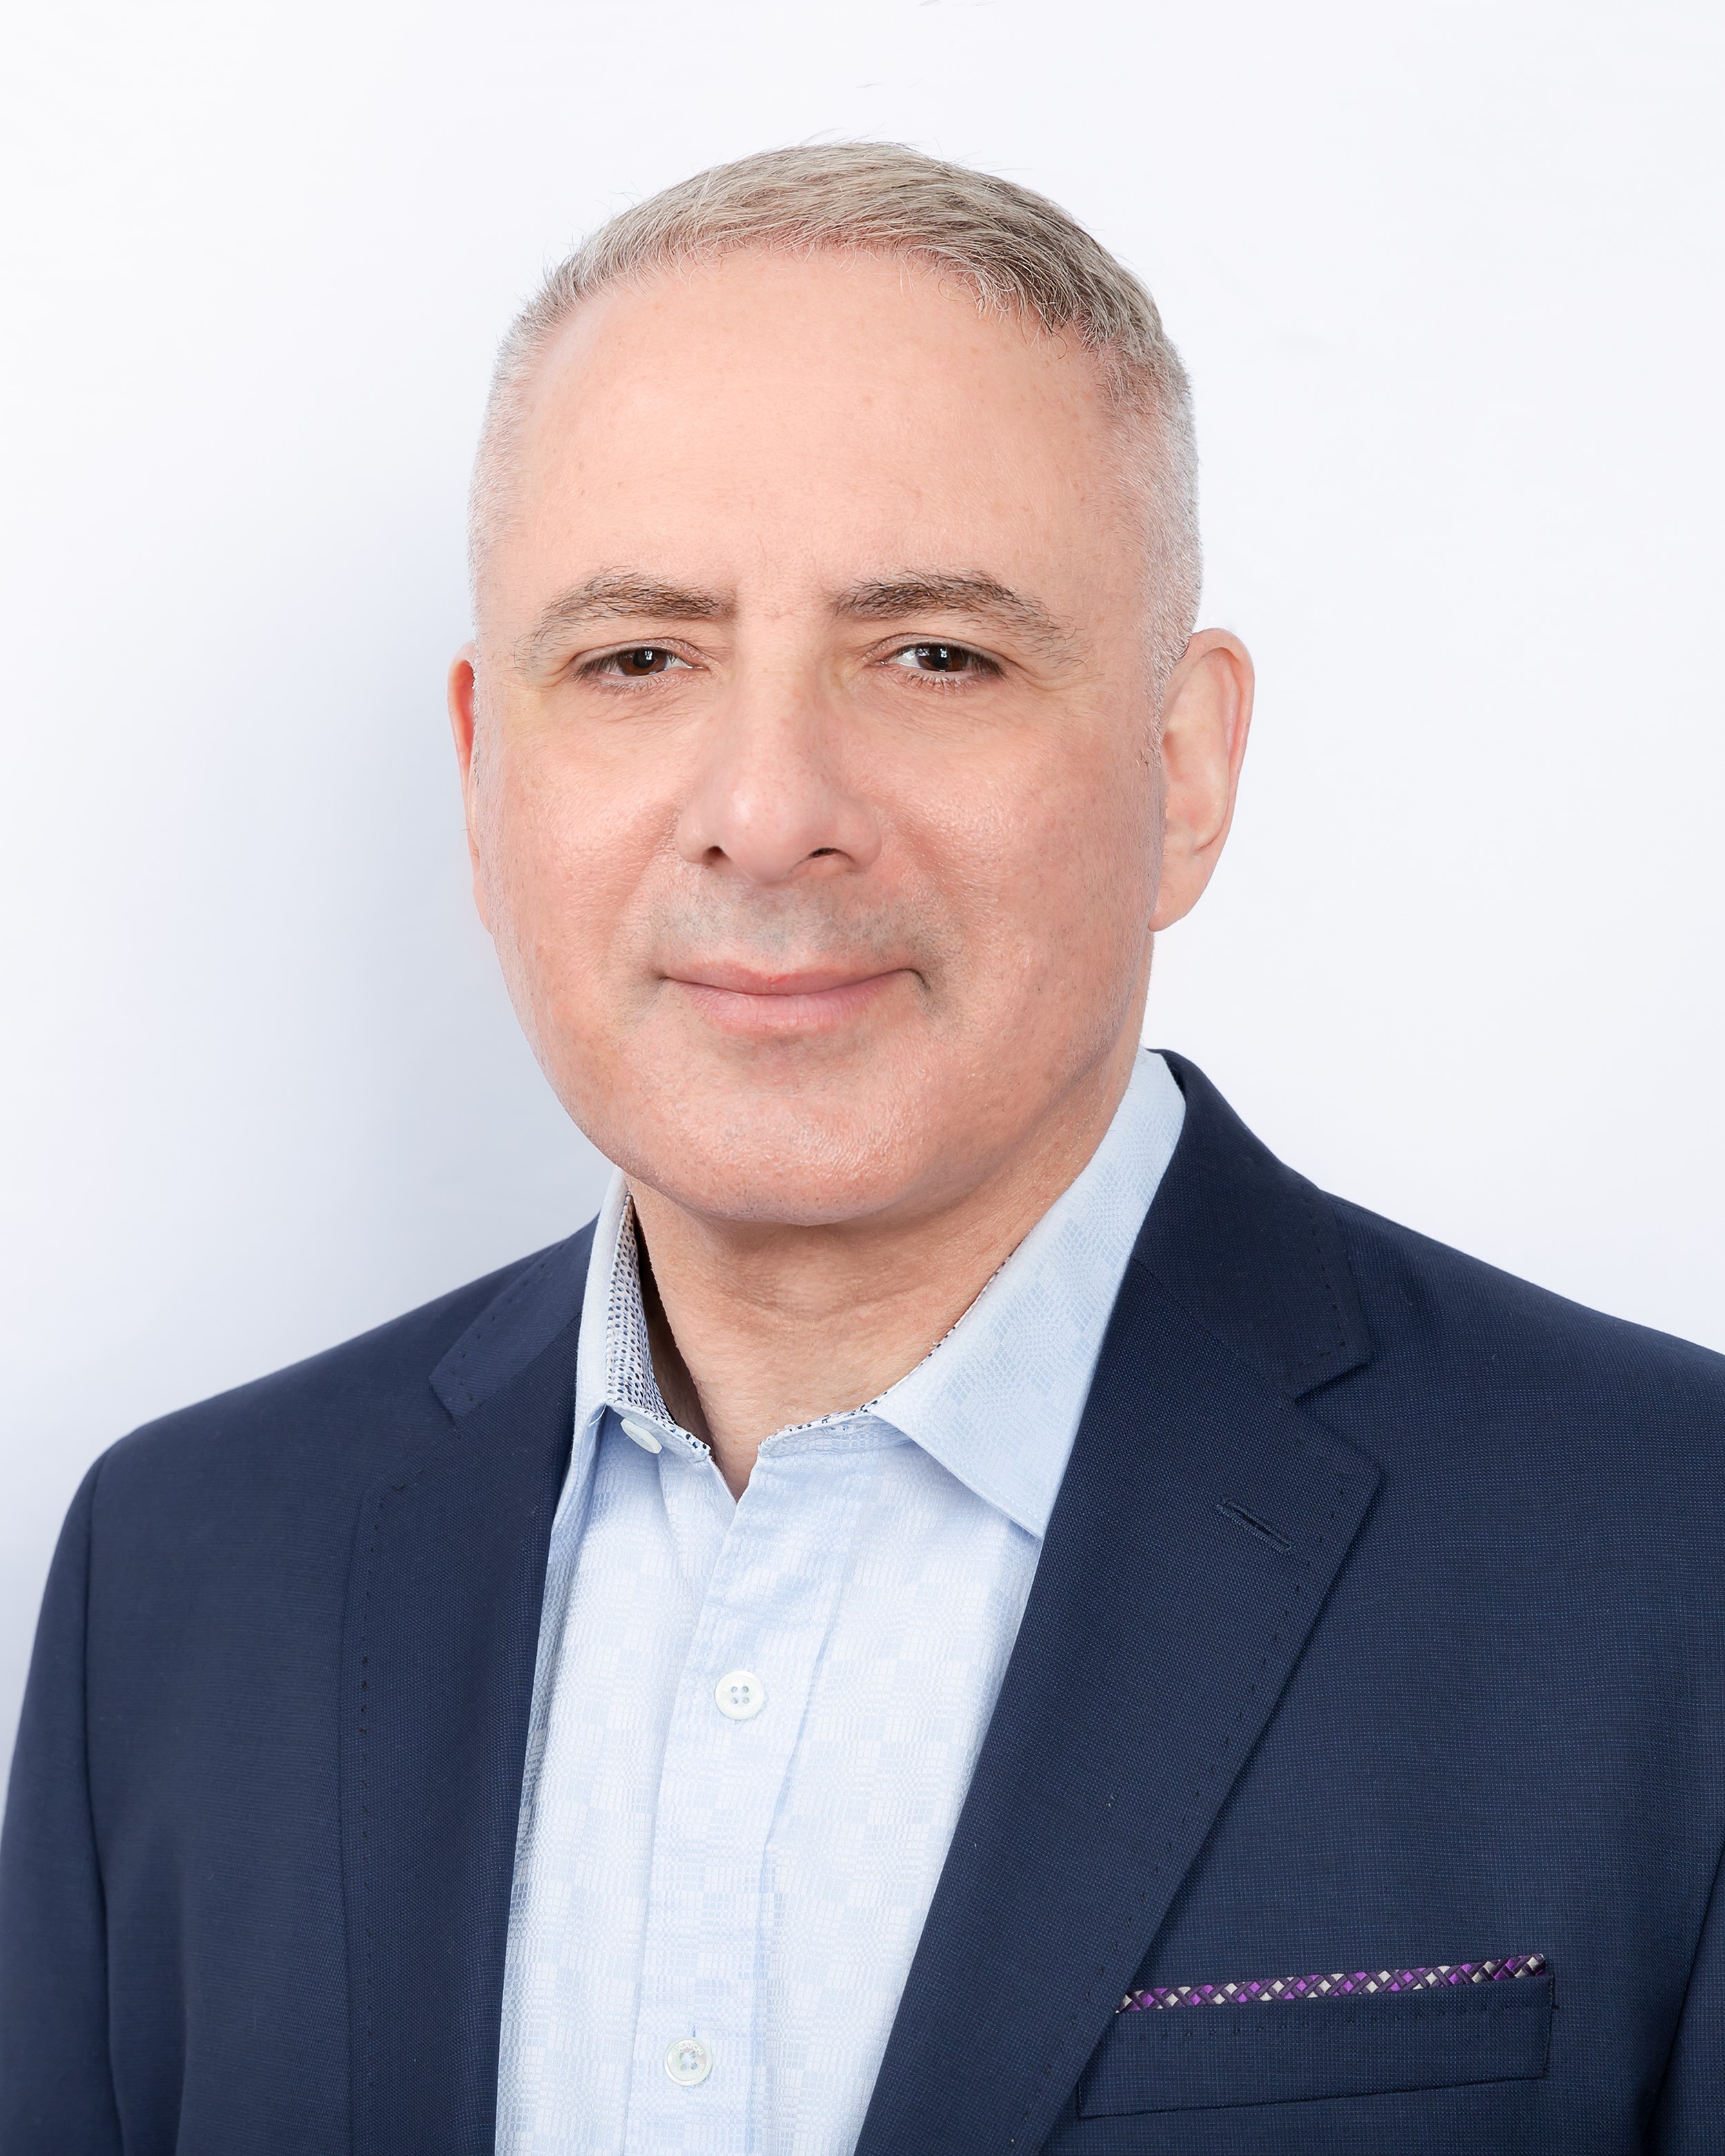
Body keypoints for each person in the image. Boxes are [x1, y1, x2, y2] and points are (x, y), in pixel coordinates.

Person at [1, 143, 1720, 2156]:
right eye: (638, 658)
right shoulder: (183, 1577)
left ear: (1182, 770)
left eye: (936, 655)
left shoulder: (1669, 1562)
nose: (767, 808)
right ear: (482, 773)